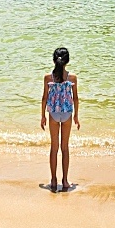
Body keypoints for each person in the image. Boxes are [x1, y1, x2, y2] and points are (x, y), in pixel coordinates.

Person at [40, 47, 79, 192]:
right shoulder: (72, 78)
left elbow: (44, 98)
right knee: (65, 148)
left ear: (54, 60)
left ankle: (54, 180)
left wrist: (42, 115)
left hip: (53, 113)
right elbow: (75, 98)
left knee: (54, 148)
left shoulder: (48, 77)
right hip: (67, 112)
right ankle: (65, 180)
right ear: (67, 61)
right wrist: (76, 116)